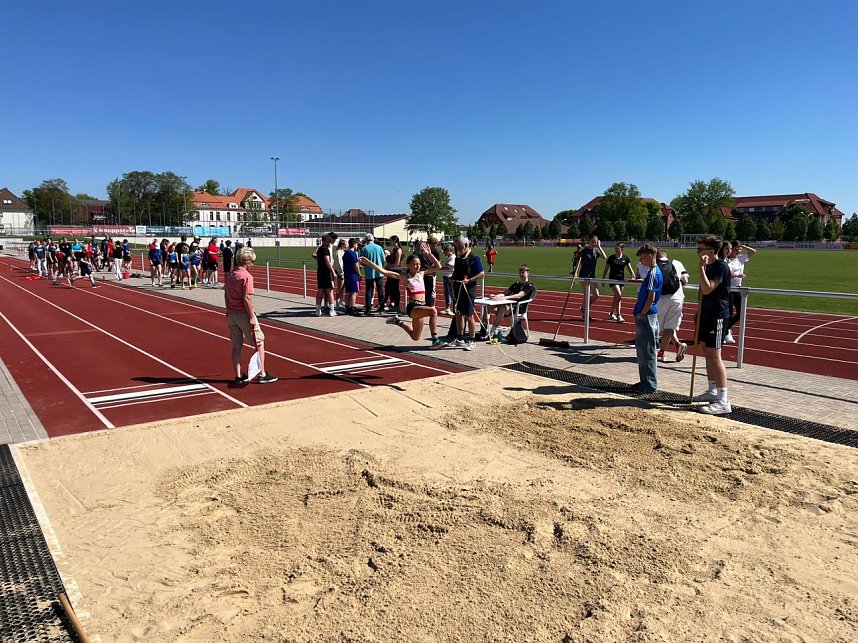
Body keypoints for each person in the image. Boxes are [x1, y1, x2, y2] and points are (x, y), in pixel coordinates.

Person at [360, 243, 444, 346]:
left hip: (421, 307)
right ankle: (435, 340)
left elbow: (438, 266)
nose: (418, 266)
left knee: (415, 337)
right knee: (433, 311)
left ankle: (397, 321)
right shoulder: (405, 277)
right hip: (413, 307)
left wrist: (429, 255)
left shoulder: (421, 274)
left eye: (419, 264)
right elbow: (384, 271)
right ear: (408, 265)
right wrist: (368, 262)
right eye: (415, 264)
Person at [224, 247, 277, 384]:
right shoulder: (247, 277)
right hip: (244, 314)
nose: (252, 265)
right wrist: (252, 317)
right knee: (259, 342)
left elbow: (226, 295)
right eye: (251, 262)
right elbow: (247, 298)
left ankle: (238, 376)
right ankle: (262, 373)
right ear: (246, 261)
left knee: (236, 346)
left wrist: (228, 310)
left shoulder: (230, 275)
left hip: (232, 315)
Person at [694, 236, 733, 415]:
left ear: (710, 251)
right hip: (706, 313)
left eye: (700, 249)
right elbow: (702, 292)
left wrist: (701, 268)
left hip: (718, 314)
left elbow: (708, 287)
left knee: (715, 355)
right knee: (707, 353)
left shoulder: (720, 267)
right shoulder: (708, 266)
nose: (698, 253)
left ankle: (724, 400)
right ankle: (712, 390)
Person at [632, 243, 663, 393]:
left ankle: (649, 384)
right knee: (642, 350)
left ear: (650, 255)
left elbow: (651, 298)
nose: (642, 262)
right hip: (645, 314)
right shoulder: (652, 272)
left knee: (648, 350)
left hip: (647, 315)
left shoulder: (654, 274)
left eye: (643, 258)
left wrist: (642, 314)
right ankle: (644, 381)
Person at [447, 235, 485, 350]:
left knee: (469, 316)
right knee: (458, 315)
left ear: (466, 245)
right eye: (457, 247)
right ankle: (459, 338)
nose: (458, 249)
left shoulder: (474, 258)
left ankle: (472, 340)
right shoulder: (458, 258)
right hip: (458, 290)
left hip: (468, 291)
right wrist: (452, 278)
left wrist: (469, 280)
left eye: (460, 247)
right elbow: (456, 273)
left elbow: (482, 274)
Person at [483, 265, 536, 343]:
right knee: (488, 307)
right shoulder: (516, 284)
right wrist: (495, 296)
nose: (521, 274)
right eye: (520, 273)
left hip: (518, 307)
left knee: (502, 308)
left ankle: (491, 333)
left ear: (528, 273)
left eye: (523, 272)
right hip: (508, 305)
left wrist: (506, 298)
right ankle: (483, 330)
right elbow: (505, 293)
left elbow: (519, 295)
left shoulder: (529, 286)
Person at [656, 249, 690, 363]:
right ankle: (677, 345)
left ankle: (660, 353)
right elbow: (685, 280)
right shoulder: (676, 263)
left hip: (660, 298)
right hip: (677, 297)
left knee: (660, 327)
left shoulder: (655, 265)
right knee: (669, 327)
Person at [725, 241, 757, 344]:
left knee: (741, 312)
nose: (738, 251)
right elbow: (723, 276)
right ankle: (726, 333)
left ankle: (726, 329)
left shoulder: (741, 258)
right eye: (736, 249)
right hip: (728, 289)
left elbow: (753, 251)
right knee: (729, 313)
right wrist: (736, 276)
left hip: (738, 289)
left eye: (739, 249)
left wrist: (741, 245)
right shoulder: (725, 261)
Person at [602, 242, 636, 323]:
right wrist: (603, 278)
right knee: (619, 296)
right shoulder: (611, 258)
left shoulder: (625, 258)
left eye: (617, 248)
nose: (616, 250)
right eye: (615, 248)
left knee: (617, 298)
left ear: (622, 249)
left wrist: (633, 276)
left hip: (621, 280)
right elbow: (606, 268)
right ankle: (619, 315)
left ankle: (611, 314)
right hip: (613, 279)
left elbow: (630, 269)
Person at [578, 236, 606, 320]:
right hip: (584, 275)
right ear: (589, 241)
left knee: (596, 295)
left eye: (596, 242)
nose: (594, 243)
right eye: (593, 242)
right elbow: (578, 261)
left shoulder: (596, 251)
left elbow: (604, 257)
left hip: (592, 275)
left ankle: (584, 308)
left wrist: (599, 247)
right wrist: (575, 274)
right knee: (586, 294)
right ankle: (585, 314)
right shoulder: (584, 251)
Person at [359, 234, 386, 315]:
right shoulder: (379, 247)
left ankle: (368, 309)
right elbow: (383, 259)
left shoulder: (364, 249)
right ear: (373, 239)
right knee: (380, 291)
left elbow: (362, 261)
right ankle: (381, 308)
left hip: (369, 272)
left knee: (369, 291)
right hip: (379, 272)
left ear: (366, 240)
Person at [315, 233, 337, 316]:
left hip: (320, 271)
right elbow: (327, 262)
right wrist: (333, 272)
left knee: (320, 290)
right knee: (330, 291)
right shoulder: (325, 249)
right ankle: (332, 310)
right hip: (327, 272)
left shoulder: (320, 249)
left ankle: (318, 310)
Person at [342, 238, 363, 316]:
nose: (357, 246)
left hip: (347, 274)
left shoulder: (346, 253)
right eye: (357, 244)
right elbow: (356, 265)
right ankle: (352, 307)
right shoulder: (353, 253)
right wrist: (359, 274)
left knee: (348, 292)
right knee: (354, 292)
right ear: (354, 244)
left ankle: (347, 307)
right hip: (353, 275)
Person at [441, 243, 456, 315]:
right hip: (446, 276)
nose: (443, 252)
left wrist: (441, 267)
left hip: (450, 277)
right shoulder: (448, 257)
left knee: (452, 293)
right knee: (447, 293)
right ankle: (447, 308)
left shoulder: (453, 257)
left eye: (444, 251)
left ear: (449, 250)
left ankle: (455, 309)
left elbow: (450, 267)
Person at [333, 239, 346, 310]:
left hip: (342, 271)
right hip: (340, 272)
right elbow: (339, 263)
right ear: (342, 245)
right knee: (340, 287)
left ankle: (340, 301)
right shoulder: (339, 252)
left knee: (342, 287)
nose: (346, 245)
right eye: (345, 244)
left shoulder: (342, 252)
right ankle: (337, 302)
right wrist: (341, 273)